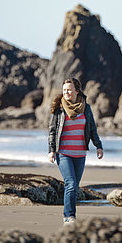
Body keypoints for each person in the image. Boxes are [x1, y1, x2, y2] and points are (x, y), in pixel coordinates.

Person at [48, 77, 104, 224]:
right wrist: (51, 150)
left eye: (69, 90)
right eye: (64, 90)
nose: (66, 92)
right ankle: (69, 217)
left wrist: (98, 146)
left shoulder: (86, 108)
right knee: (71, 184)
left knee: (74, 187)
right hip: (63, 153)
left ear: (76, 91)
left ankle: (70, 216)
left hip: (80, 154)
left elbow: (92, 129)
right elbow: (52, 131)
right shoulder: (59, 108)